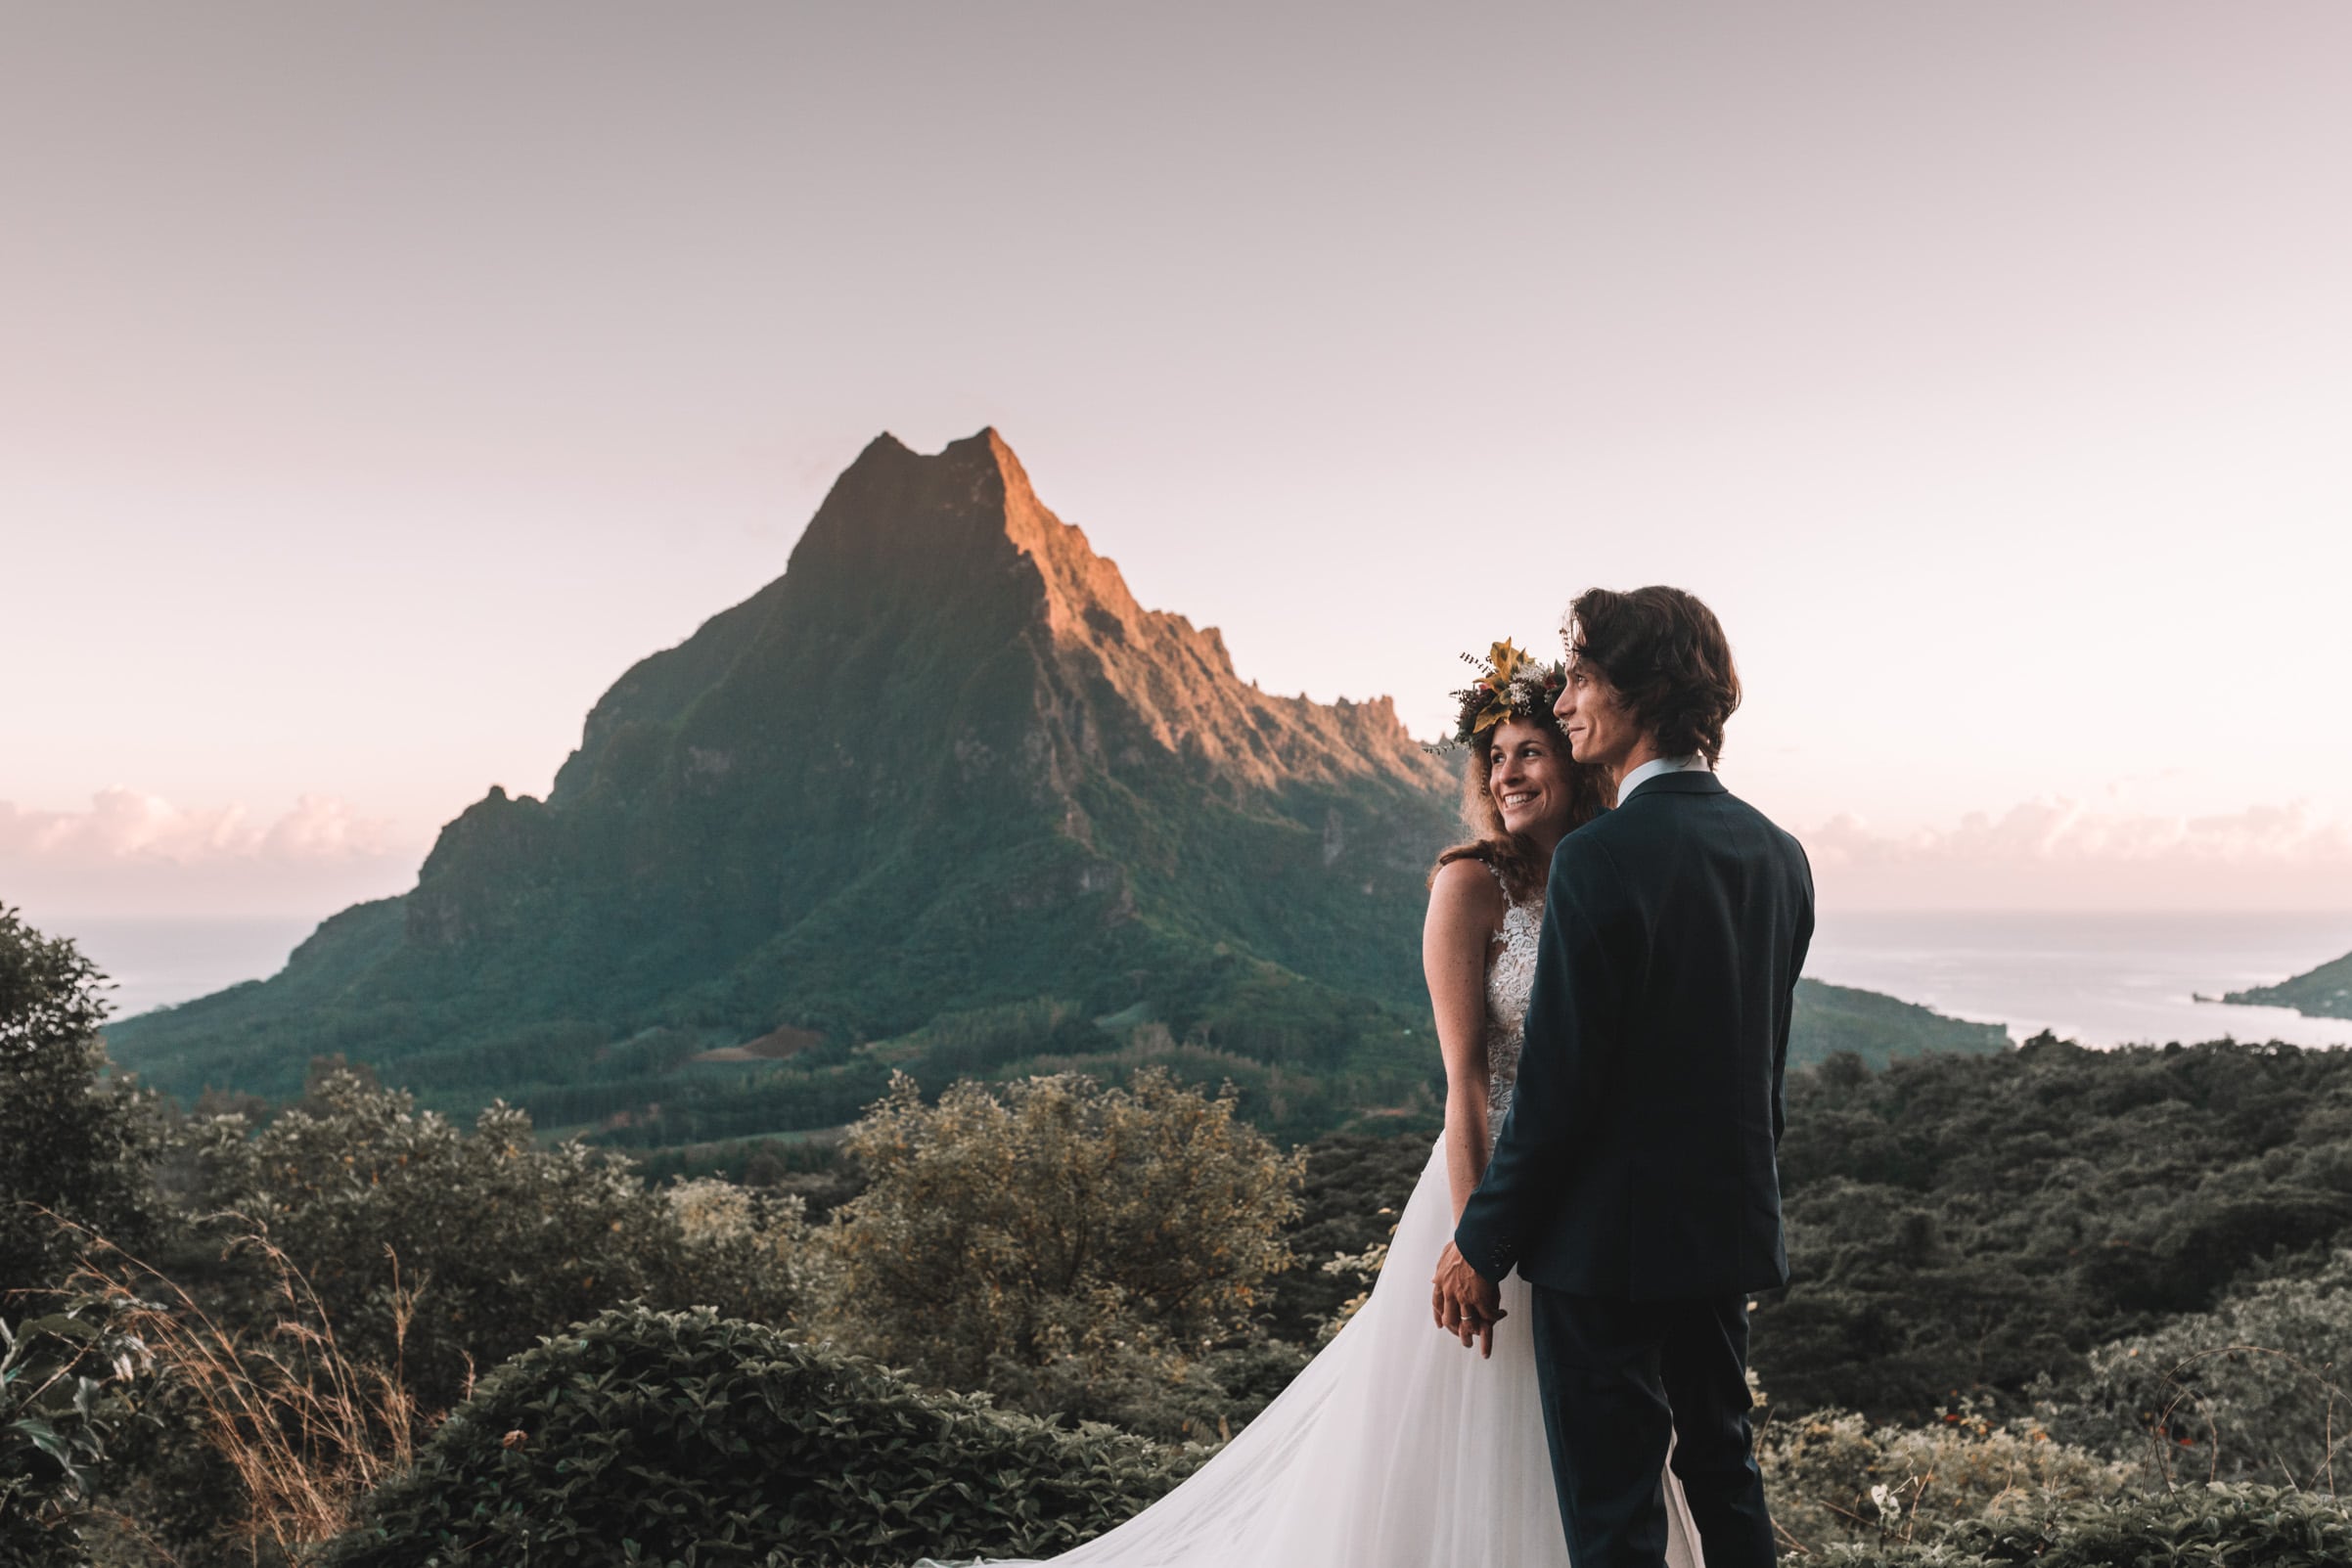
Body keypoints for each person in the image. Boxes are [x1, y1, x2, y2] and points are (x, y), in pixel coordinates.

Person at [953, 637, 1700, 1568]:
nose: (1508, 773)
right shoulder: (1471, 883)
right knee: (1466, 1430)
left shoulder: (1606, 870)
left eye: (1531, 751)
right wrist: (1478, 1239)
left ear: (1575, 758)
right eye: (1495, 755)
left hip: (1592, 1202)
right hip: (1491, 1184)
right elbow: (1465, 1076)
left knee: (1597, 1441)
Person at [1433, 587, 1815, 1568]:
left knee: (1614, 1519)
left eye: (1584, 678)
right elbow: (1754, 1077)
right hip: (1721, 1233)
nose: (1563, 702)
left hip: (1599, 1248)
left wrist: (1481, 1237)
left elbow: (1558, 1089)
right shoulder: (1780, 857)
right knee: (1726, 1480)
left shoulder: (1600, 858)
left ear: (1643, 692)